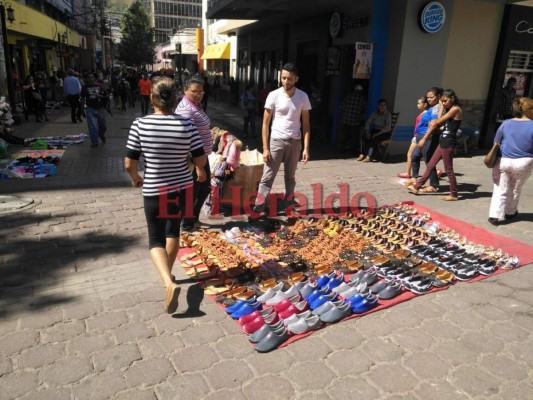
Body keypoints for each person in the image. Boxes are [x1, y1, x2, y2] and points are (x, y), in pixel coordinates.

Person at [125, 76, 206, 314]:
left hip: (154, 189)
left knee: (155, 239)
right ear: (176, 99)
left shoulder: (140, 124)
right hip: (181, 187)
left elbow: (130, 162)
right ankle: (168, 276)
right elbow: (200, 158)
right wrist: (197, 167)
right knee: (173, 232)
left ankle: (168, 282)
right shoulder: (187, 125)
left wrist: (135, 178)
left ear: (152, 98)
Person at [253, 63, 311, 214]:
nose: (286, 82)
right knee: (268, 175)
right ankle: (260, 203)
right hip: (276, 140)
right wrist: (265, 148)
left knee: (290, 176)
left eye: (290, 79)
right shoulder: (273, 95)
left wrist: (306, 148)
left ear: (296, 79)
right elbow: (265, 123)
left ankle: (289, 202)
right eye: (283, 78)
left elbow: (306, 125)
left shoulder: (303, 96)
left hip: (295, 142)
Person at [407, 89, 462, 201]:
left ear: (452, 99)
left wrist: (439, 113)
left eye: (445, 101)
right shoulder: (449, 109)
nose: (444, 103)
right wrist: (438, 123)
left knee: (449, 169)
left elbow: (438, 121)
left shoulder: (455, 109)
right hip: (443, 141)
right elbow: (443, 125)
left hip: (448, 142)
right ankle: (417, 187)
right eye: (442, 101)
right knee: (430, 165)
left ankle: (453, 194)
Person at [175, 76, 213, 231]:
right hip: (193, 158)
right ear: (185, 91)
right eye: (194, 91)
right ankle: (187, 224)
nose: (198, 94)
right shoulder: (186, 109)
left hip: (202, 156)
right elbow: (185, 138)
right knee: (193, 192)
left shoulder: (196, 105)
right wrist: (198, 166)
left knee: (204, 189)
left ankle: (192, 219)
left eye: (200, 91)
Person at [488, 97, 533, 226]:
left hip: (504, 160)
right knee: (515, 187)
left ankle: (494, 215)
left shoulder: (506, 123)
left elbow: (496, 141)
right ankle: (510, 212)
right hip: (524, 162)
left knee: (500, 188)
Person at [407, 87, 443, 192]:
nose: (429, 99)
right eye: (428, 97)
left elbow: (434, 124)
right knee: (415, 156)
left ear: (439, 97)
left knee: (429, 161)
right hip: (421, 136)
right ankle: (414, 178)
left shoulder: (437, 108)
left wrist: (424, 138)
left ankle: (434, 185)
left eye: (432, 97)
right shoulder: (433, 108)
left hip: (428, 137)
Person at [397, 96, 428, 178]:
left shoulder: (425, 114)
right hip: (417, 136)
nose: (417, 105)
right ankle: (433, 170)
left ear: (425, 104)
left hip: (419, 136)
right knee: (423, 156)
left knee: (410, 154)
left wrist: (417, 136)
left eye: (419, 103)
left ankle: (408, 172)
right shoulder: (423, 113)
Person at [80, 72, 109, 147]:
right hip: (90, 108)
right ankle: (94, 141)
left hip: (100, 108)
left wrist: (101, 96)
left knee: (103, 126)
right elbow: (82, 99)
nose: (90, 78)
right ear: (86, 79)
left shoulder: (99, 85)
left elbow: (107, 95)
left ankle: (101, 135)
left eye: (92, 77)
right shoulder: (84, 87)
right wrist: (82, 109)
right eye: (88, 77)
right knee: (92, 126)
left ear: (94, 78)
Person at [339, 84, 366, 152]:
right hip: (355, 121)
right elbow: (365, 110)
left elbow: (341, 107)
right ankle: (351, 149)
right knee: (354, 136)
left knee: (344, 135)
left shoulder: (348, 96)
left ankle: (342, 148)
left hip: (345, 120)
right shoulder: (362, 99)